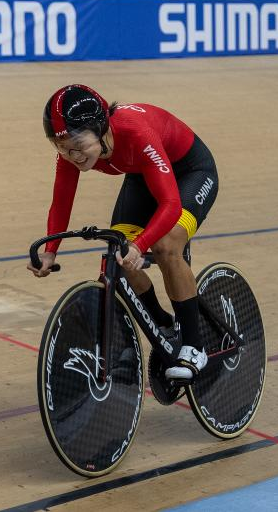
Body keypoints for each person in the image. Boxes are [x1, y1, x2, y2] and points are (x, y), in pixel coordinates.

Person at [29, 85, 220, 382]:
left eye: (78, 144)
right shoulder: (71, 153)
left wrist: (141, 243)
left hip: (191, 172)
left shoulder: (136, 134)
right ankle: (162, 324)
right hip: (144, 174)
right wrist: (50, 250)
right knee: (116, 256)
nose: (72, 155)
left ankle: (195, 347)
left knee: (165, 246)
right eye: (60, 146)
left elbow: (170, 204)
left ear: (101, 127)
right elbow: (62, 200)